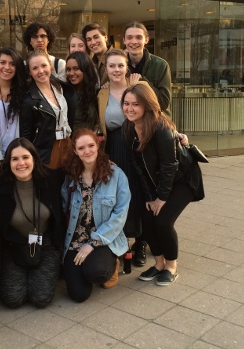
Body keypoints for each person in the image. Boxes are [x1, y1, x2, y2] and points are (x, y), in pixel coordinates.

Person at [122, 85, 203, 287]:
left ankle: (171, 267)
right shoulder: (129, 128)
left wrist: (161, 198)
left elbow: (170, 165)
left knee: (163, 222)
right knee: (147, 220)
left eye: (135, 104)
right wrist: (150, 197)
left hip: (182, 178)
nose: (129, 109)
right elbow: (138, 167)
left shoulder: (160, 127)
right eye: (126, 103)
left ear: (147, 106)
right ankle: (158, 264)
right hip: (158, 183)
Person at [0, 138, 64, 308]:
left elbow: (79, 171)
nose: (21, 163)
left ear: (34, 158)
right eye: (15, 159)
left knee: (41, 298)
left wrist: (104, 163)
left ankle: (34, 273)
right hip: (13, 246)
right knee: (13, 299)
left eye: (25, 157)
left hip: (46, 245)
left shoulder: (51, 179)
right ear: (8, 162)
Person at [61, 129, 130, 302]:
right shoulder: (70, 178)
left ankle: (110, 264)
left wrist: (92, 244)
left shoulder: (116, 175)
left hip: (104, 238)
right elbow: (64, 209)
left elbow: (120, 215)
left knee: (97, 273)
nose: (87, 151)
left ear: (97, 146)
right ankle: (84, 268)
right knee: (78, 295)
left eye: (91, 146)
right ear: (75, 151)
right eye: (81, 148)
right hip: (75, 239)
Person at [97, 49, 149, 263]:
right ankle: (122, 242)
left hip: (139, 145)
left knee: (141, 193)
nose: (116, 70)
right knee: (119, 195)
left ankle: (142, 242)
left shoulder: (139, 87)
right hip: (115, 147)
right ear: (106, 69)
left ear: (127, 67)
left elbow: (156, 112)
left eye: (120, 65)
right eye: (112, 66)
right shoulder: (102, 93)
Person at [20, 50, 76, 170]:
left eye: (44, 65)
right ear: (29, 72)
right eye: (35, 68)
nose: (41, 71)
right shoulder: (29, 100)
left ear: (50, 65)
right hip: (47, 152)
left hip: (67, 144)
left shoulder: (61, 88)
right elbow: (25, 135)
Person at [123, 21, 172, 115]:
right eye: (129, 37)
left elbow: (164, 103)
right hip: (130, 122)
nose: (133, 41)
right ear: (124, 40)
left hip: (156, 122)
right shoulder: (120, 67)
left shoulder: (161, 65)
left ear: (146, 40)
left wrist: (142, 82)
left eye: (139, 37)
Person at [65, 51, 99, 132]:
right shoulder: (64, 94)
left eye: (76, 69)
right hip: (72, 142)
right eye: (68, 69)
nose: (71, 73)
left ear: (86, 69)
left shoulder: (95, 93)